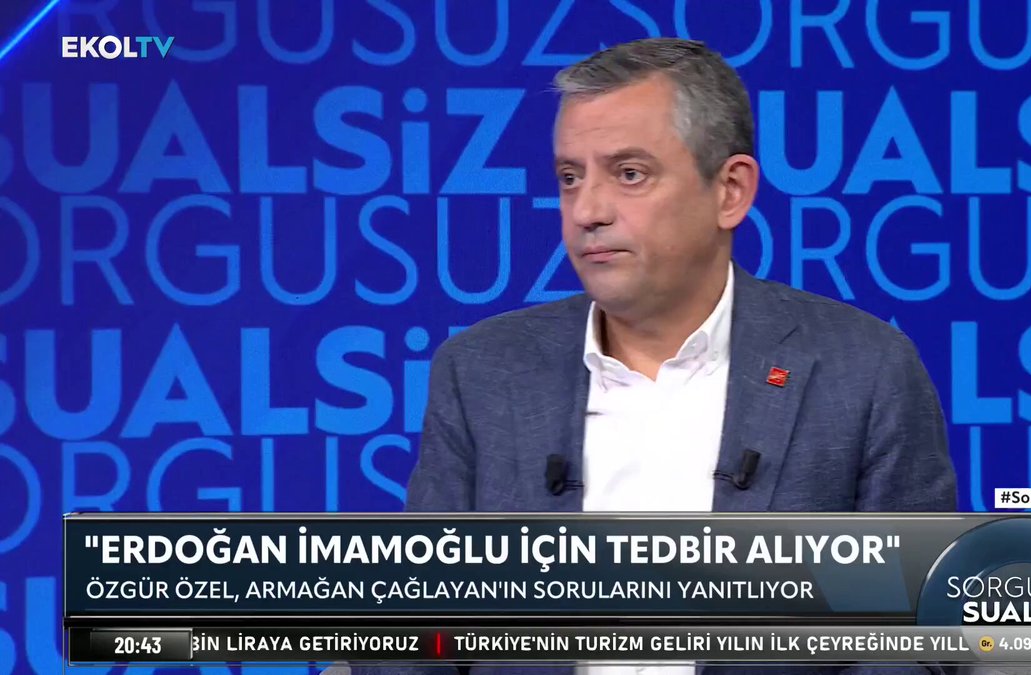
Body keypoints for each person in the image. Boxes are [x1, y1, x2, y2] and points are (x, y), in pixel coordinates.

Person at [362, 38, 959, 675]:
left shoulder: (864, 372)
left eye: (629, 174)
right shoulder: (482, 372)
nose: (587, 211)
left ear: (730, 191)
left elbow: (915, 639)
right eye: (570, 178)